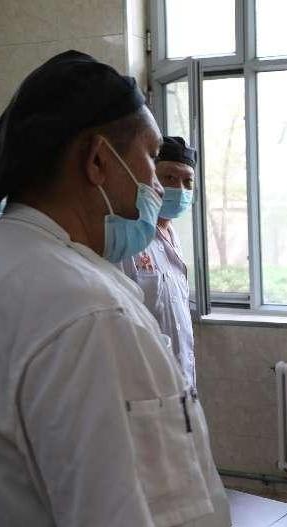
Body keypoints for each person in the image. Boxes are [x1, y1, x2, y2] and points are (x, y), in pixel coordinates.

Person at [0, 51, 235, 527]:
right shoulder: (90, 315)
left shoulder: (15, 261)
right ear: (98, 160)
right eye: (150, 158)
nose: (158, 186)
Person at [120, 135, 197, 389]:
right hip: (146, 381)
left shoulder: (172, 235)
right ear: (151, 178)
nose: (180, 189)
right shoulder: (130, 237)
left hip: (181, 378)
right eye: (169, 178)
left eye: (188, 181)